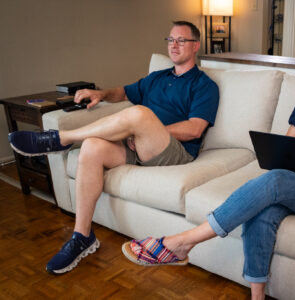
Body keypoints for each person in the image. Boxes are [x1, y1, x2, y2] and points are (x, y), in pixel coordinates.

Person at [121, 35, 295, 300]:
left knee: (275, 182)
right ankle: (257, 296)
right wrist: (283, 156)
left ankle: (183, 242)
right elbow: (290, 145)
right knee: (263, 209)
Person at [8, 21, 219, 275]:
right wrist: (100, 94)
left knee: (139, 114)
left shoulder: (204, 84)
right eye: (170, 39)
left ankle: (59, 138)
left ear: (195, 45)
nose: (174, 45)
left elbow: (195, 129)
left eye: (181, 40)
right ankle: (82, 236)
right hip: (140, 146)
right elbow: (123, 92)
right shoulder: (158, 77)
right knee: (91, 147)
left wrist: (143, 129)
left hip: (175, 151)